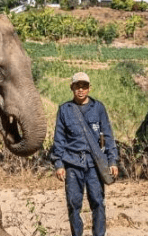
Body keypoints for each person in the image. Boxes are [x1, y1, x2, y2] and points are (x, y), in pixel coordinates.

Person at [50, 72, 119, 236]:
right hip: (72, 163)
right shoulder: (64, 110)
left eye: (84, 86)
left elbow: (108, 135)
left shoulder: (98, 108)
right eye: (77, 86)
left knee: (98, 202)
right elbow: (59, 139)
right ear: (71, 88)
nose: (80, 90)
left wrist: (113, 161)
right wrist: (59, 164)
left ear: (89, 88)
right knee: (74, 204)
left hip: (94, 164)